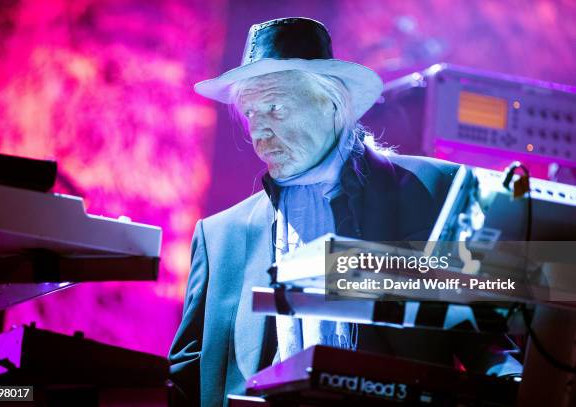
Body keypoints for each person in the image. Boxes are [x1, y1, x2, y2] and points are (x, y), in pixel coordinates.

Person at [169, 17, 515, 407]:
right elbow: (185, 374)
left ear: (332, 103)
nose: (259, 131)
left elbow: (487, 342)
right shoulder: (220, 237)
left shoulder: (435, 191)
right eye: (250, 114)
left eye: (275, 107)